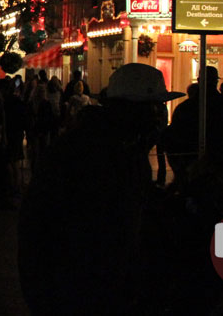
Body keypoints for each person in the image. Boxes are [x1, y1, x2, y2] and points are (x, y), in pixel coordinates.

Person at [18, 63, 184, 315]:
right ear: (131, 109)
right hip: (80, 293)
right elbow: (41, 227)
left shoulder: (129, 152)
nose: (160, 115)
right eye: (155, 106)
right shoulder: (87, 153)